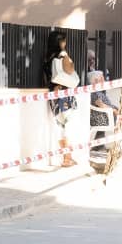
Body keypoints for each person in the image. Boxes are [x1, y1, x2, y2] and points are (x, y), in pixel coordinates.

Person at [44, 30, 78, 168]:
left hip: (54, 93)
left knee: (60, 125)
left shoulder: (48, 58)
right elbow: (70, 70)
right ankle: (67, 158)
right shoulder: (62, 55)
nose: (65, 42)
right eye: (63, 40)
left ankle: (66, 157)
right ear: (60, 42)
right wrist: (66, 54)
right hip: (64, 93)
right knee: (68, 126)